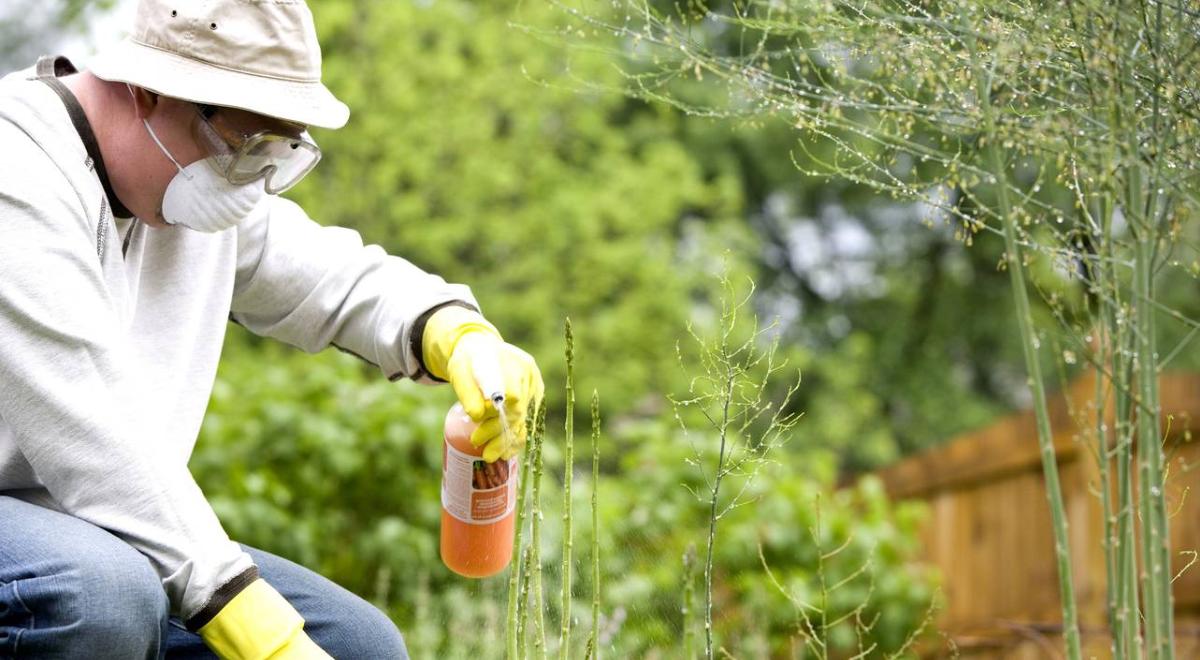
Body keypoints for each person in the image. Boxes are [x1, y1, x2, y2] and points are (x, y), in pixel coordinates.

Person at [0, 0, 544, 657]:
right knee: (101, 594)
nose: (251, 180)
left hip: (90, 529)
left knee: (358, 644)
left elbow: (328, 276)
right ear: (149, 89)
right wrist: (255, 627)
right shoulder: (19, 168)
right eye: (243, 146)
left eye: (277, 152)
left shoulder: (190, 195)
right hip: (58, 540)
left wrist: (453, 331)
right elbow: (92, 431)